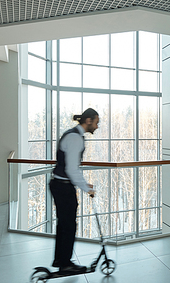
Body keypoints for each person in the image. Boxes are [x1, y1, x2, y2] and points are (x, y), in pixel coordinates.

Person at [50, 108, 99, 272]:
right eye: (96, 122)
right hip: (63, 187)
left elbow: (72, 168)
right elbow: (71, 169)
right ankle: (66, 264)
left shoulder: (72, 135)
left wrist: (84, 184)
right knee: (69, 225)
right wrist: (86, 188)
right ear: (88, 121)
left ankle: (60, 260)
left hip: (61, 184)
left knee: (64, 225)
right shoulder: (74, 137)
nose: (97, 126)